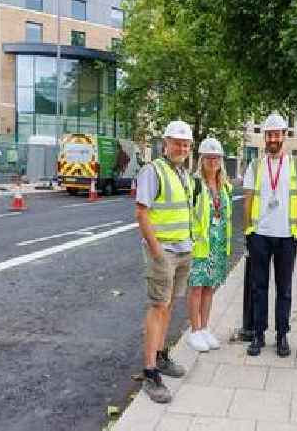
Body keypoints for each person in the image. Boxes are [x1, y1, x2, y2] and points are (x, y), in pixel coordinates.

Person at [135, 120, 194, 404]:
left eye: (185, 144)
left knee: (169, 306)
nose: (181, 147)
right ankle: (149, 372)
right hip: (165, 252)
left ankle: (160, 356)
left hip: (183, 249)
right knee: (158, 306)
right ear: (166, 143)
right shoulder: (153, 170)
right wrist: (157, 251)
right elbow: (142, 213)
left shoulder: (183, 172)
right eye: (177, 142)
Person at [243, 112, 297, 357]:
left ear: (283, 136)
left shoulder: (295, 165)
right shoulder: (255, 165)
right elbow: (248, 198)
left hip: (285, 237)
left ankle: (282, 335)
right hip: (260, 235)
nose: (272, 138)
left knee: (285, 289)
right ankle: (258, 335)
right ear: (264, 137)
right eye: (269, 134)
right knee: (259, 287)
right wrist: (248, 230)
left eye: (276, 134)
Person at [186, 138, 233, 352]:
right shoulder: (194, 183)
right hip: (200, 243)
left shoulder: (225, 186)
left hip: (218, 243)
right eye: (208, 158)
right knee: (196, 287)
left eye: (216, 158)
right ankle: (194, 331)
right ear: (201, 160)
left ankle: (205, 328)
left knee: (209, 288)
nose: (213, 161)